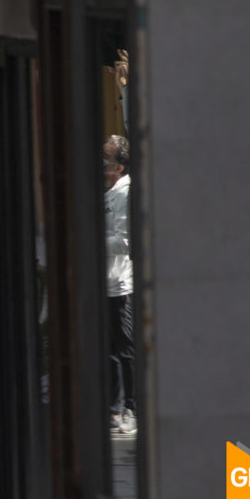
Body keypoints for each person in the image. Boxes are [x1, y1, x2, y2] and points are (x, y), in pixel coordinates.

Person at [104, 134, 135, 435]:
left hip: (119, 282)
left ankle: (131, 408)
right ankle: (114, 409)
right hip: (103, 281)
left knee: (125, 349)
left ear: (120, 167)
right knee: (109, 349)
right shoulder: (106, 192)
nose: (101, 165)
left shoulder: (125, 195)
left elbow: (125, 242)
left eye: (107, 159)